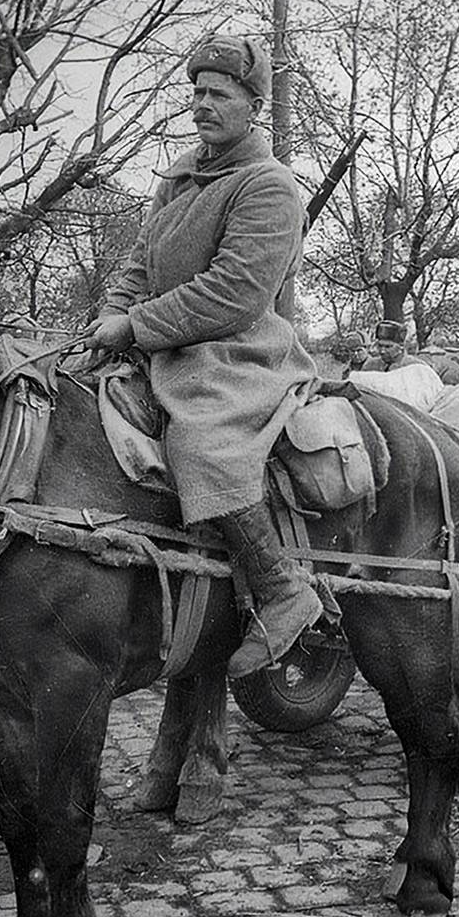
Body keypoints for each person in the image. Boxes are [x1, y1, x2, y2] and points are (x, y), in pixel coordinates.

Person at [83, 33, 321, 677]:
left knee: (200, 439)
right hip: (164, 340)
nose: (201, 105)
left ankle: (280, 590)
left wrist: (132, 326)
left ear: (254, 105)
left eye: (218, 93)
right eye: (196, 93)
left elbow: (234, 295)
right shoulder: (181, 177)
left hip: (236, 352)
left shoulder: (269, 186)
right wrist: (110, 315)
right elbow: (139, 262)